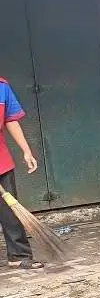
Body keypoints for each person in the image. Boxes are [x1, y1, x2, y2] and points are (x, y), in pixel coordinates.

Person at [0, 77, 43, 270]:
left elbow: (11, 119)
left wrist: (26, 150)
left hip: (1, 160)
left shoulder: (2, 87)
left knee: (9, 209)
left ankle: (18, 255)